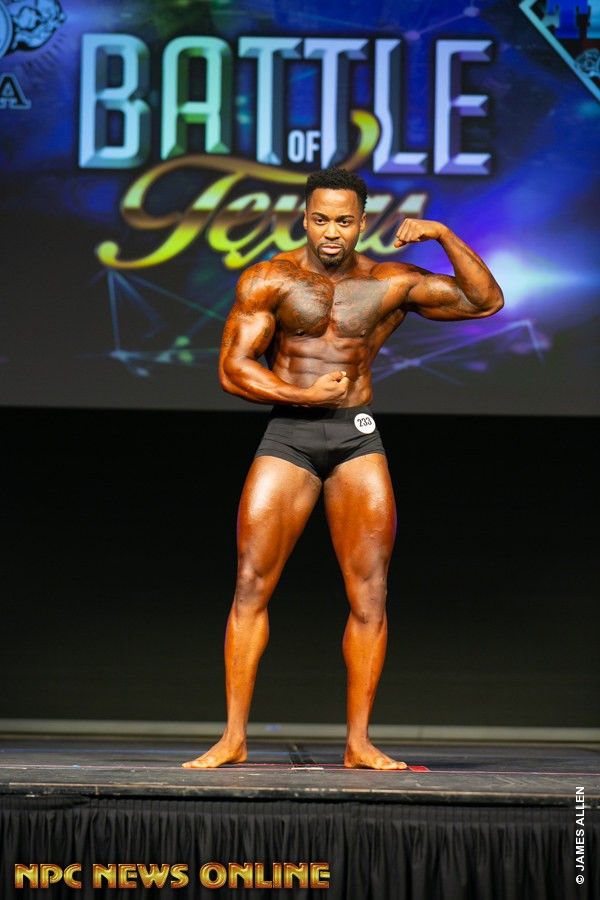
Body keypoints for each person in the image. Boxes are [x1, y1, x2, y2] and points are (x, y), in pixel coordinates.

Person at [183, 167, 503, 770]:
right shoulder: (270, 279)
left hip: (356, 439)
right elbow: (233, 368)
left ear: (362, 223)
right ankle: (233, 737)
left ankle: (358, 743)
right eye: (321, 219)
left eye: (344, 221)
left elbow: (485, 301)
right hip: (290, 435)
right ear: (305, 219)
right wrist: (302, 395)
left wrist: (441, 234)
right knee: (251, 584)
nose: (332, 232)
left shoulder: (388, 282)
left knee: (370, 594)